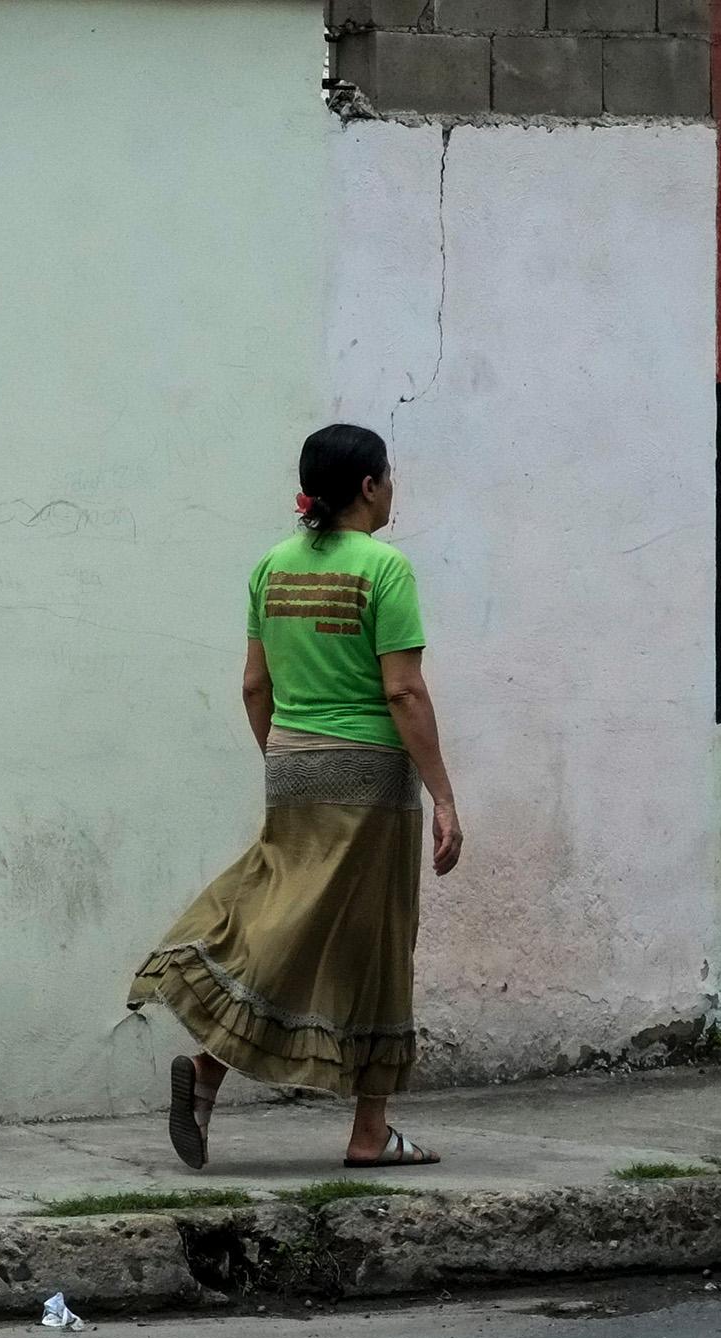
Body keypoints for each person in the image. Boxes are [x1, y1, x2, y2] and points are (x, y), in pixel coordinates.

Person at [127, 424, 463, 1171]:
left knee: (300, 923)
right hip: (369, 776)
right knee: (372, 942)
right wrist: (443, 796)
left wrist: (284, 758)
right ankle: (368, 1132)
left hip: (291, 762)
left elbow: (254, 684)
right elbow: (402, 690)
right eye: (389, 477)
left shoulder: (271, 567)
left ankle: (214, 1075)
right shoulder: (386, 568)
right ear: (370, 486)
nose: (392, 489)